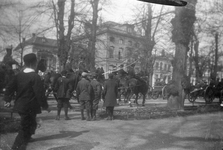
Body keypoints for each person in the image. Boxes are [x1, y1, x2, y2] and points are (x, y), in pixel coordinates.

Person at [3, 53, 49, 150]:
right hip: (30, 107)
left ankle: (25, 140)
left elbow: (9, 88)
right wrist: (45, 106)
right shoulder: (35, 77)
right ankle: (16, 147)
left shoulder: (18, 75)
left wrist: (7, 99)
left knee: (31, 125)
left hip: (20, 106)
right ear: (34, 63)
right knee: (25, 128)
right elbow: (40, 94)